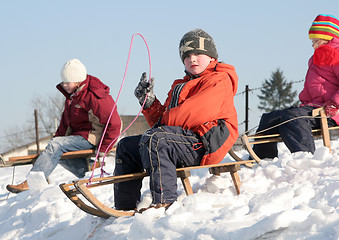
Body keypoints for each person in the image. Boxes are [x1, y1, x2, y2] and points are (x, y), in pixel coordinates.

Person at [113, 29, 239, 212]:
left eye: (197, 53)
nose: (192, 59)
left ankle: (164, 201)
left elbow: (192, 113)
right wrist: (148, 103)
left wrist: (160, 126)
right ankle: (124, 206)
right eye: (186, 56)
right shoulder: (181, 85)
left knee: (157, 139)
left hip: (205, 142)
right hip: (181, 140)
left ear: (211, 57)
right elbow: (164, 121)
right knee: (127, 147)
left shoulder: (220, 79)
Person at [252, 14, 339, 159]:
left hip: (329, 112)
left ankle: (306, 158)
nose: (312, 44)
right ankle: (263, 158)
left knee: (292, 117)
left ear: (326, 38)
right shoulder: (318, 57)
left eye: (315, 40)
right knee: (270, 118)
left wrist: (335, 104)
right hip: (313, 107)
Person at [6, 59, 122, 193]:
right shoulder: (73, 96)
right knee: (56, 149)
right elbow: (65, 123)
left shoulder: (94, 95)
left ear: (78, 80)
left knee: (57, 146)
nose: (65, 85)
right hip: (79, 136)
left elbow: (115, 122)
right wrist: (56, 141)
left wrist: (104, 148)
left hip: (94, 136)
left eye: (68, 82)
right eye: (63, 81)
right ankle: (89, 170)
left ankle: (33, 182)